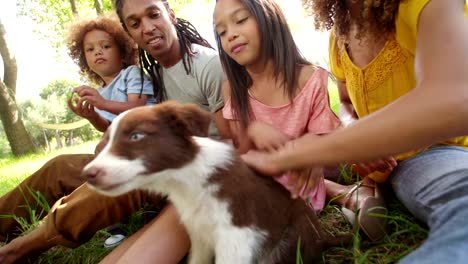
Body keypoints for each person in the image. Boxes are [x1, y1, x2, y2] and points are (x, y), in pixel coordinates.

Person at [0, 0, 228, 262]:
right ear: (129, 34)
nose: (147, 27)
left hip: (186, 178)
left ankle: (22, 249)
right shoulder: (153, 75)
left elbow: (228, 142)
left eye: (154, 15)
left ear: (171, 16)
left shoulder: (208, 65)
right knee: (60, 167)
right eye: (135, 23)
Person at [243, 0, 468, 263]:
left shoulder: (424, 5)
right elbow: (346, 103)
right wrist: (355, 132)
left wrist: (298, 152)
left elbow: (454, 98)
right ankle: (362, 193)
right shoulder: (339, 36)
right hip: (380, 167)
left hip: (433, 152)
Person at [0, 13, 156, 247]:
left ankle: (120, 220)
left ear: (123, 51)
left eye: (105, 46)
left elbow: (137, 110)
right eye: (90, 50)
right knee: (61, 165)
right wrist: (92, 116)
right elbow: (110, 128)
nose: (98, 52)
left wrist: (101, 105)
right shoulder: (100, 91)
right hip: (117, 155)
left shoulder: (131, 74)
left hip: (144, 156)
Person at [214, 0, 340, 211]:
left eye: (241, 20)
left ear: (269, 18)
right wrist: (252, 129)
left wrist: (308, 153)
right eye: (221, 31)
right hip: (255, 182)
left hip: (299, 188)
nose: (231, 35)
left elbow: (327, 151)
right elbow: (242, 153)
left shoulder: (310, 78)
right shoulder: (232, 89)